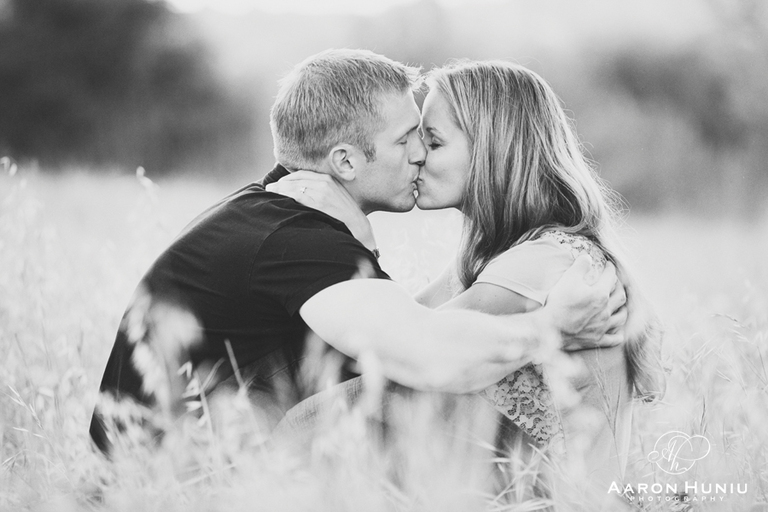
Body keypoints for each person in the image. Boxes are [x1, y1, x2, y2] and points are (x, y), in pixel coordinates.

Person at [89, 50, 627, 455]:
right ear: (346, 162)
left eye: (430, 139)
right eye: (408, 140)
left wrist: (361, 242)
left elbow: (398, 339)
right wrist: (552, 328)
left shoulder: (280, 218)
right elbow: (427, 353)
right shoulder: (297, 239)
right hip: (174, 485)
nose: (418, 154)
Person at [269, 60, 664, 499]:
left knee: (302, 429)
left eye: (432, 141)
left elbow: (404, 355)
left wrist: (352, 232)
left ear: (493, 150)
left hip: (570, 503)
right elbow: (394, 334)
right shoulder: (498, 258)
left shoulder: (541, 263)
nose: (416, 155)